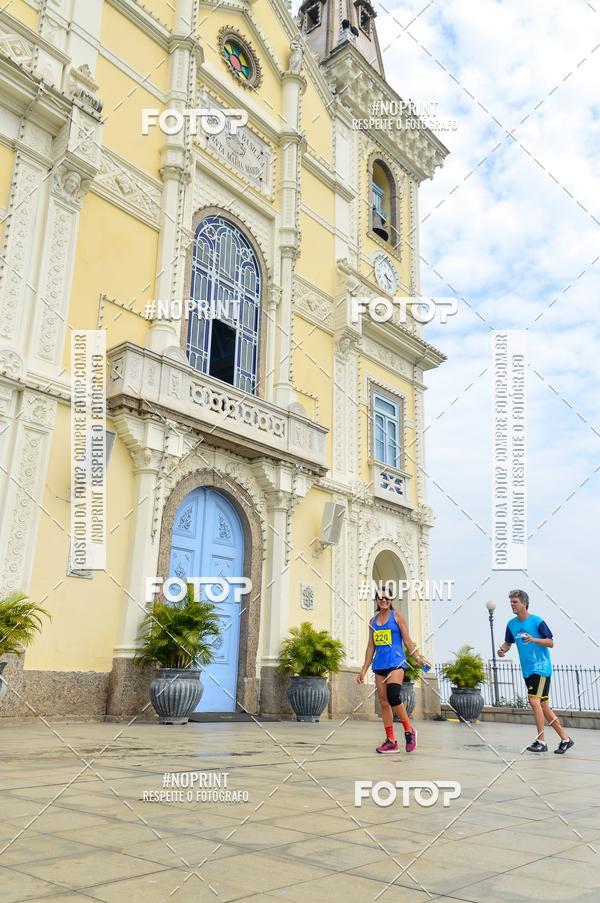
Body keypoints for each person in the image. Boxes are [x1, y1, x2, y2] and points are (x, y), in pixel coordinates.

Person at [497, 589, 574, 754]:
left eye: (515, 602)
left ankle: (541, 741)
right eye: (510, 602)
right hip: (527, 670)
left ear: (524, 603)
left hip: (541, 668)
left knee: (534, 701)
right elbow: (508, 643)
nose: (512, 605)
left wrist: (534, 639)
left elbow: (550, 642)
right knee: (544, 706)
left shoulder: (537, 621)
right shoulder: (511, 624)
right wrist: (502, 650)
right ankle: (566, 739)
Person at [357, 589, 430, 754]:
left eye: (387, 598)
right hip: (380, 666)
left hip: (396, 663)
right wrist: (363, 669)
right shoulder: (372, 622)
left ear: (390, 600)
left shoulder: (397, 617)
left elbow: (407, 640)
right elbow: (370, 647)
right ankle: (391, 741)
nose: (384, 600)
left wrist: (417, 658)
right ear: (376, 600)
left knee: (393, 696)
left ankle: (409, 731)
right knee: (383, 702)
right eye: (380, 598)